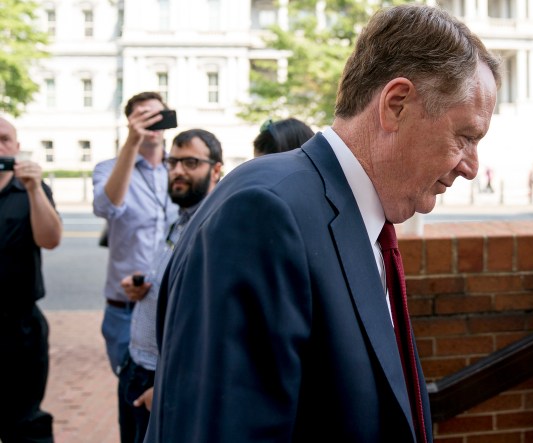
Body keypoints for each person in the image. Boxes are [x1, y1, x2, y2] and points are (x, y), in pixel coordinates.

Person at [145, 4, 500, 442]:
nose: (471, 166)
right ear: (396, 104)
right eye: (465, 136)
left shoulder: (351, 216)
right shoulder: (265, 214)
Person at [115, 129, 223, 443]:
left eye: (191, 162)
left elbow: (208, 324)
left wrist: (164, 386)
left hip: (161, 381)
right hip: (137, 366)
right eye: (172, 162)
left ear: (216, 169)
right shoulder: (180, 218)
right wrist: (146, 287)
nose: (177, 171)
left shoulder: (213, 225)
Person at [93, 91, 179, 377]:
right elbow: (106, 207)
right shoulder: (108, 169)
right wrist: (131, 143)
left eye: (157, 115)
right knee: (131, 392)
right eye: (142, 116)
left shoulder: (180, 169)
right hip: (126, 308)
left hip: (173, 302)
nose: (150, 123)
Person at [0, 116, 62, 443]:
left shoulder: (30, 190)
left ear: (17, 146)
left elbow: (50, 239)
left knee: (24, 420)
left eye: (4, 139)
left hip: (20, 325)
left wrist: (35, 188)